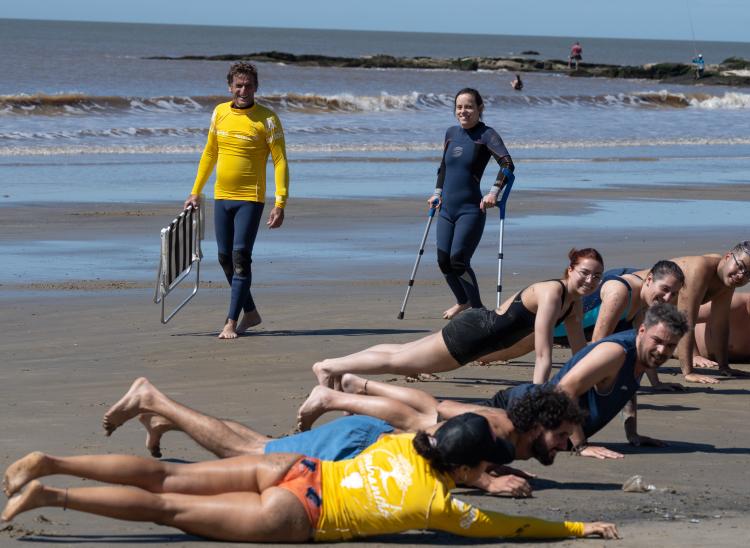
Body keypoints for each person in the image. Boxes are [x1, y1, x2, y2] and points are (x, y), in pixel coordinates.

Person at [2, 414, 620, 541]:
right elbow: (505, 529)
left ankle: (51, 462)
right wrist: (573, 526)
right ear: (460, 470)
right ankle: (50, 496)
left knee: (165, 478)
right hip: (300, 516)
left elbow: (415, 414)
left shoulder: (404, 443)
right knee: (164, 514)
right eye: (483, 464)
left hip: (298, 468)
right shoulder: (441, 507)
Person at [102, 377, 585, 498]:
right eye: (562, 436)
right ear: (539, 424)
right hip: (357, 446)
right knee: (247, 453)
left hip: (363, 440)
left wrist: (497, 471)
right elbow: (436, 440)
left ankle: (166, 420)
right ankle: (155, 400)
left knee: (264, 444)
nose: (566, 446)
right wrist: (485, 483)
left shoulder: (505, 433)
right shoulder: (492, 430)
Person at [313, 248, 604, 387]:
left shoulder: (573, 305)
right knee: (399, 361)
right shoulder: (552, 294)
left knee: (401, 353)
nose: (590, 280)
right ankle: (329, 367)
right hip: (473, 337)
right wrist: (538, 395)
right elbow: (543, 354)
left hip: (478, 331)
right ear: (570, 270)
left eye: (597, 276)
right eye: (585, 272)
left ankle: (339, 368)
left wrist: (598, 377)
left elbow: (580, 353)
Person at [441, 303, 690, 460]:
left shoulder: (642, 357)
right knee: (445, 432)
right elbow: (564, 390)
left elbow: (628, 386)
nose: (662, 349)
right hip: (522, 410)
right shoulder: (616, 352)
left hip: (545, 430)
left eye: (670, 345)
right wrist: (581, 446)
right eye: (658, 340)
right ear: (643, 331)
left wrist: (632, 433)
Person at [185, 62, 290, 339]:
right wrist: (196, 190)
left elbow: (280, 161)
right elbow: (210, 153)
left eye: (249, 85)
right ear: (230, 86)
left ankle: (231, 322)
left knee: (241, 257)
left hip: (250, 198)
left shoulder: (267, 119)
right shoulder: (219, 112)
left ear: (257, 87)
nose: (243, 90)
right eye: (238, 85)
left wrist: (280, 202)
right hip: (222, 196)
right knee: (224, 258)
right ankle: (251, 313)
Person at [480, 260, 685, 364]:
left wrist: (655, 382)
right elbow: (598, 341)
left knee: (499, 350)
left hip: (562, 328)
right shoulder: (620, 292)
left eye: (674, 294)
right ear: (649, 279)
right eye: (665, 289)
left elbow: (641, 344)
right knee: (486, 348)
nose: (668, 299)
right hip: (540, 317)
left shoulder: (645, 300)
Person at [430, 88, 515, 319]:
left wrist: (493, 192)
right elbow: (444, 166)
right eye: (459, 107)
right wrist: (437, 193)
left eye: (468, 106)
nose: (463, 111)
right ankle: (463, 301)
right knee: (443, 260)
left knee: (458, 260)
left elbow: (507, 164)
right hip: (446, 208)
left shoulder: (487, 135)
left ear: (480, 109)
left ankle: (477, 310)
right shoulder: (450, 133)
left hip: (471, 209)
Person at [664, 241, 750, 384]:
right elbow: (684, 321)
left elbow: (720, 324)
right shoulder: (700, 268)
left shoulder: (727, 279)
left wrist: (724, 367)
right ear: (728, 256)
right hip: (630, 296)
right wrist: (689, 372)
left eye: (749, 274)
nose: (741, 275)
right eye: (740, 266)